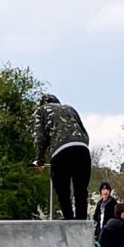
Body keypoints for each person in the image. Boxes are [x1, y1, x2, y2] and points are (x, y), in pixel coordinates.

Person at [32, 93, 92, 221]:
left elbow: (39, 137)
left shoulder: (41, 110)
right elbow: (84, 132)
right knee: (81, 190)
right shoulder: (70, 108)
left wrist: (40, 159)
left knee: (63, 191)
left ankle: (69, 221)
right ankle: (81, 221)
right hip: (82, 149)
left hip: (61, 151)